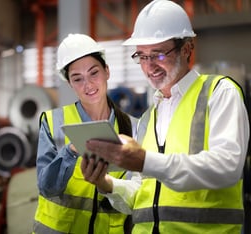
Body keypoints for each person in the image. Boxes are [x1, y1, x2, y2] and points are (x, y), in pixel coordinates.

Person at [81, 0, 250, 233]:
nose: (149, 67)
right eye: (141, 56)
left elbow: (227, 167)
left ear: (187, 48)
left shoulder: (219, 93)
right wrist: (105, 183)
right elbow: (140, 194)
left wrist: (145, 160)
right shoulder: (149, 117)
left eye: (158, 54)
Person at [33, 33, 138, 234]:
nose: (88, 85)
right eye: (77, 79)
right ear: (69, 83)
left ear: (107, 71)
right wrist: (71, 151)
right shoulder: (54, 122)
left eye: (94, 73)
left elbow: (138, 195)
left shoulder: (133, 128)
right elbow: (46, 187)